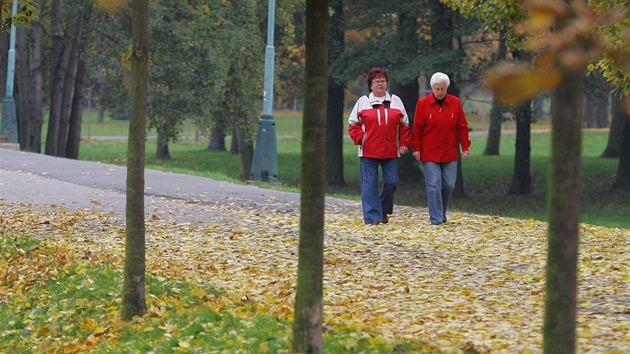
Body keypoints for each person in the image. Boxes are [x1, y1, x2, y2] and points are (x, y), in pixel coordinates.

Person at [348, 68, 411, 225]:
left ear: (387, 83)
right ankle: (372, 218)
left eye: (383, 81)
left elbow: (404, 125)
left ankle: (382, 209)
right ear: (370, 85)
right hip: (368, 151)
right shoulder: (363, 102)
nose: (380, 84)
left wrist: (403, 144)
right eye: (376, 81)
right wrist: (361, 139)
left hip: (391, 151)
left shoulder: (396, 101)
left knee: (392, 182)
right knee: (369, 186)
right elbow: (352, 124)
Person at [410, 72, 471, 225]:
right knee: (434, 184)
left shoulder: (455, 103)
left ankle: (441, 212)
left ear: (446, 88)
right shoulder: (423, 104)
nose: (439, 92)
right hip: (429, 151)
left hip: (450, 151)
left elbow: (462, 127)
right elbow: (417, 127)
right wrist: (416, 147)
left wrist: (465, 146)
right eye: (437, 89)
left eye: (442, 89)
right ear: (432, 88)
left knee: (449, 184)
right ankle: (436, 218)